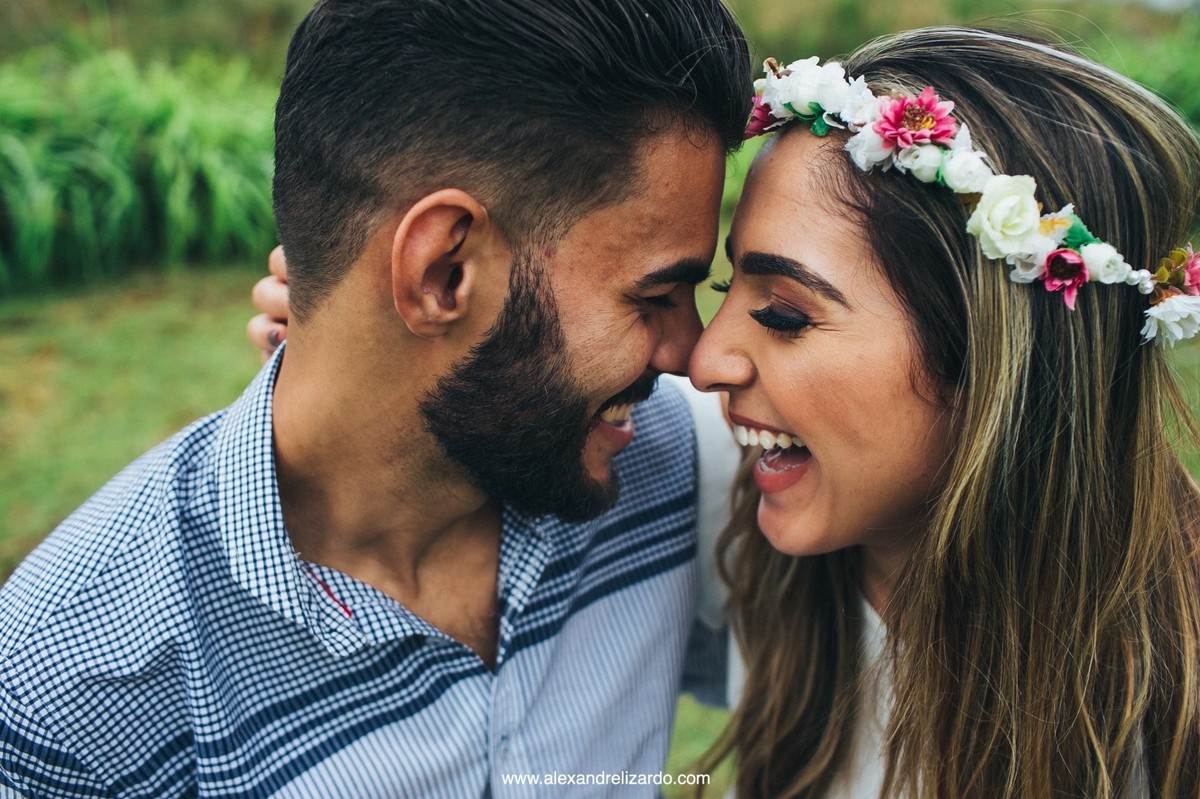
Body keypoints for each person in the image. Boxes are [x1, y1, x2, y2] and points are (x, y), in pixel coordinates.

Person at [0, 1, 750, 795]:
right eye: (656, 295)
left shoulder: (670, 465)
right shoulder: (71, 692)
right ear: (443, 272)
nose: (692, 356)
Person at [685, 26, 1200, 799]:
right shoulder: (714, 475)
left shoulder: (1174, 675)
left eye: (786, 315)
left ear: (1000, 362)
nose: (704, 363)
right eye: (728, 291)